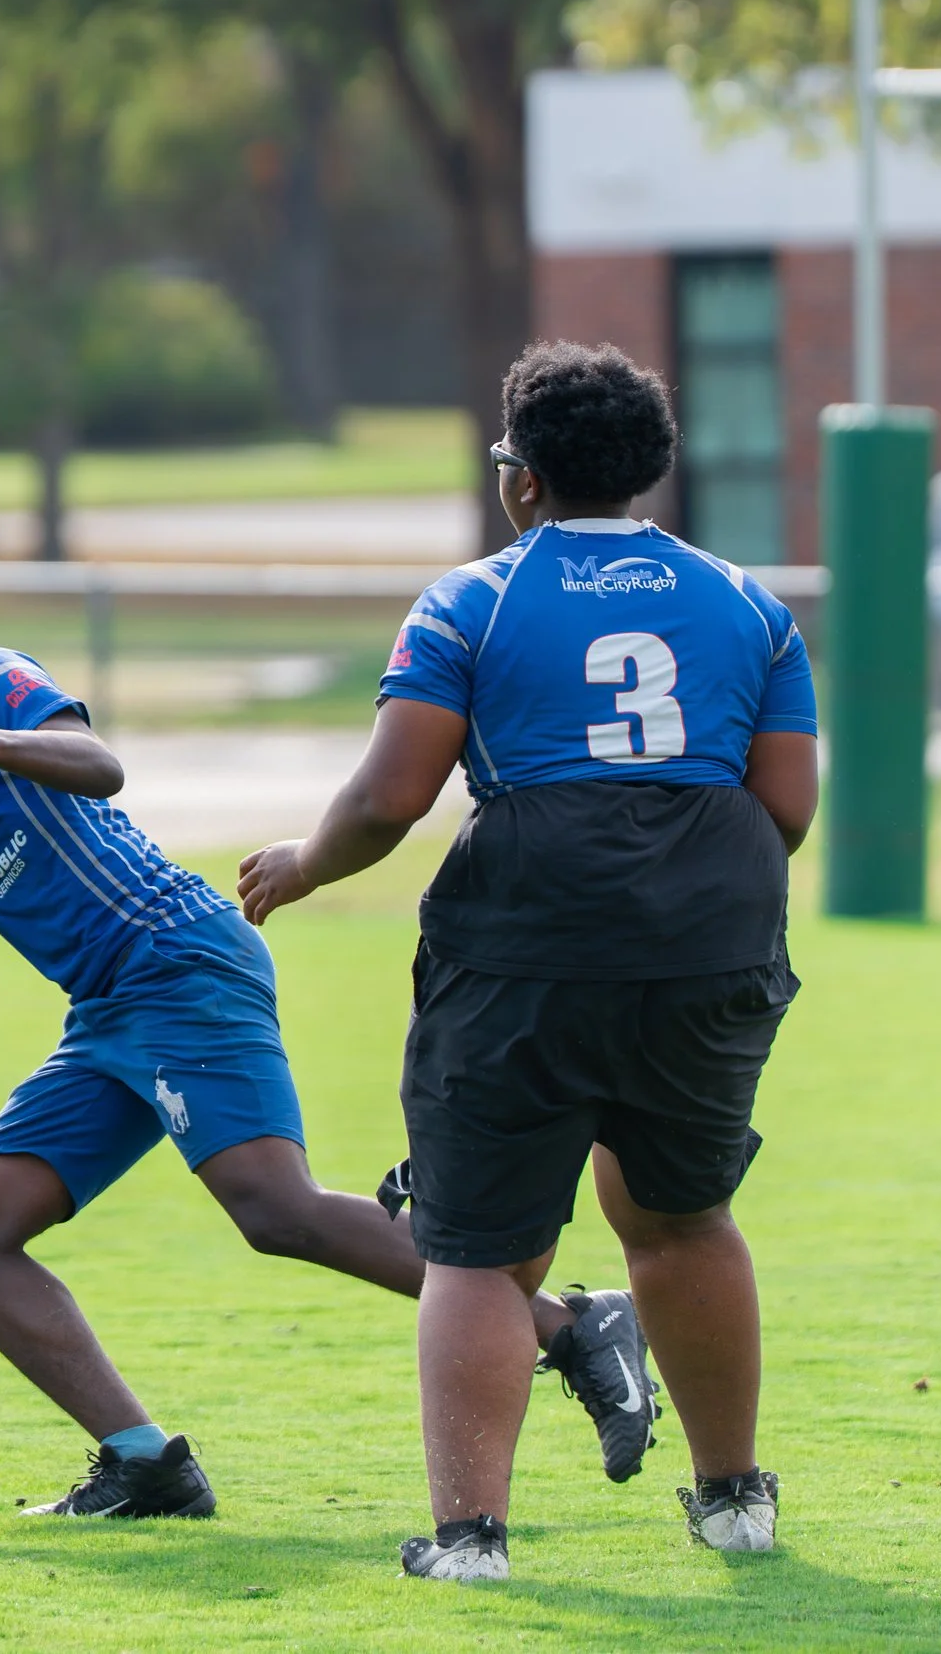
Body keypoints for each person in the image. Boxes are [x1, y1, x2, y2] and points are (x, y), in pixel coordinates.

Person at [0, 518, 645, 1519]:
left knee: (274, 1209)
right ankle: (144, 1462)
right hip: (109, 1007)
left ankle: (570, 1327)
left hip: (175, 958)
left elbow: (96, 760)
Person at [239, 341, 818, 1581]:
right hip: (708, 936)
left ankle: (470, 1540)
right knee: (679, 1216)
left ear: (520, 477)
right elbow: (786, 805)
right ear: (647, 470)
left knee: (481, 1245)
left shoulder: (472, 600)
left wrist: (303, 863)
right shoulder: (745, 603)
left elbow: (393, 794)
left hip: (523, 937)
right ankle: (733, 1502)